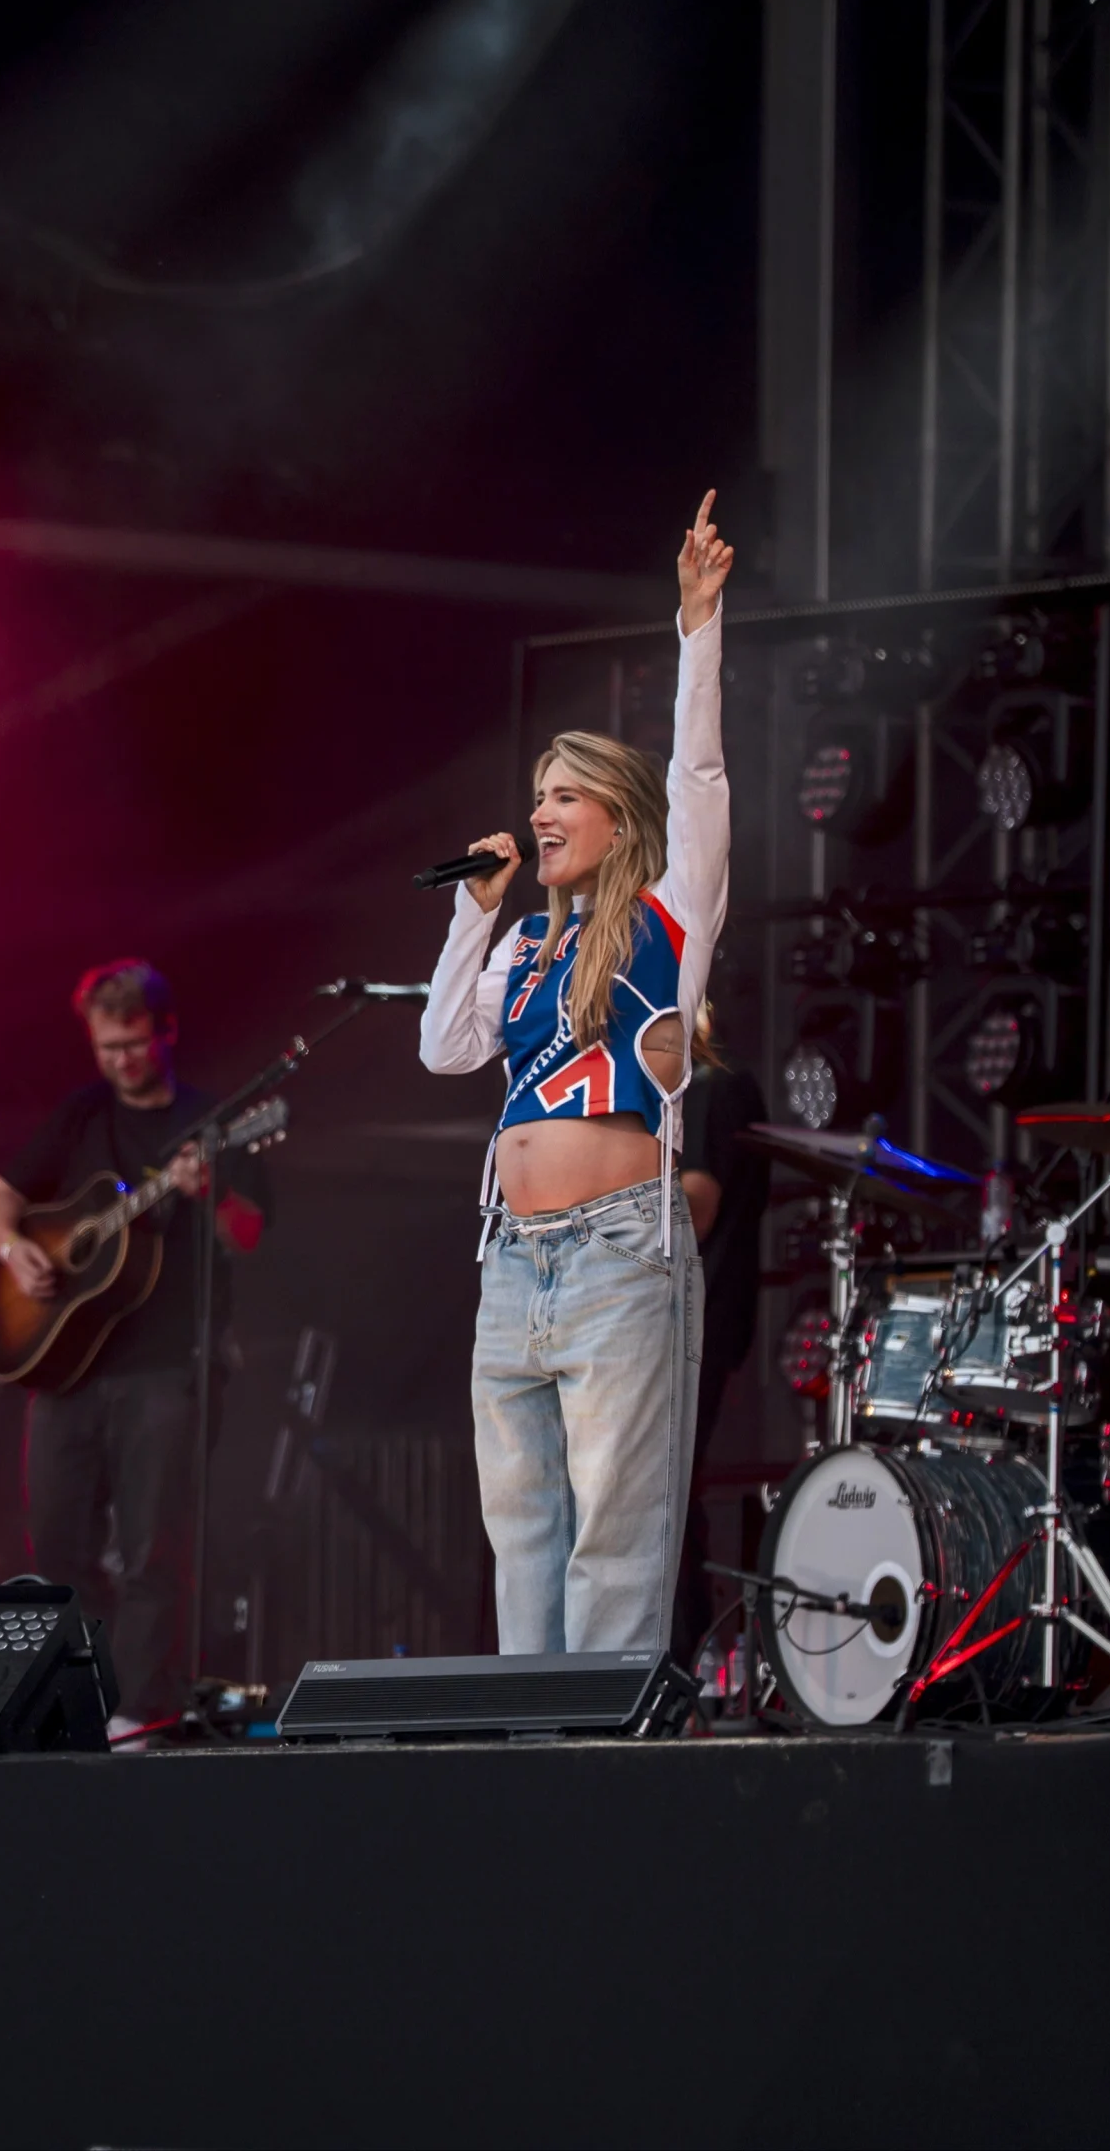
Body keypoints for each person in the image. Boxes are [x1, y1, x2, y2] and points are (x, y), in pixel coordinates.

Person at [421, 494, 731, 1655]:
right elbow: (448, 1046)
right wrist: (472, 909)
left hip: (613, 1246)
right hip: (514, 1257)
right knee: (524, 1525)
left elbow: (701, 780)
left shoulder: (669, 912)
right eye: (538, 793)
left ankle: (602, 1754)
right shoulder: (528, 942)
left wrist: (697, 626)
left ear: (616, 816)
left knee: (615, 1528)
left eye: (564, 795)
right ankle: (531, 1744)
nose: (539, 812)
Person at [0, 960, 269, 1738]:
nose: (121, 1061)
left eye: (134, 1044)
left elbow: (249, 1232)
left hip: (165, 1369)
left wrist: (210, 1194)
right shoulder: (80, 1116)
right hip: (66, 1369)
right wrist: (15, 1250)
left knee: (152, 1552)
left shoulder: (217, 1122)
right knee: (59, 1551)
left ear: (165, 1032)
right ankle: (76, 1703)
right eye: (107, 1048)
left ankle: (143, 1714)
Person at [669, 1001, 768, 1661]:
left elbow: (692, 1207)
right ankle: (684, 1653)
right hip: (704, 1317)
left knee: (657, 1497)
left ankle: (678, 1657)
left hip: (683, 1319)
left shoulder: (707, 1083)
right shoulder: (723, 1083)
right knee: (667, 1494)